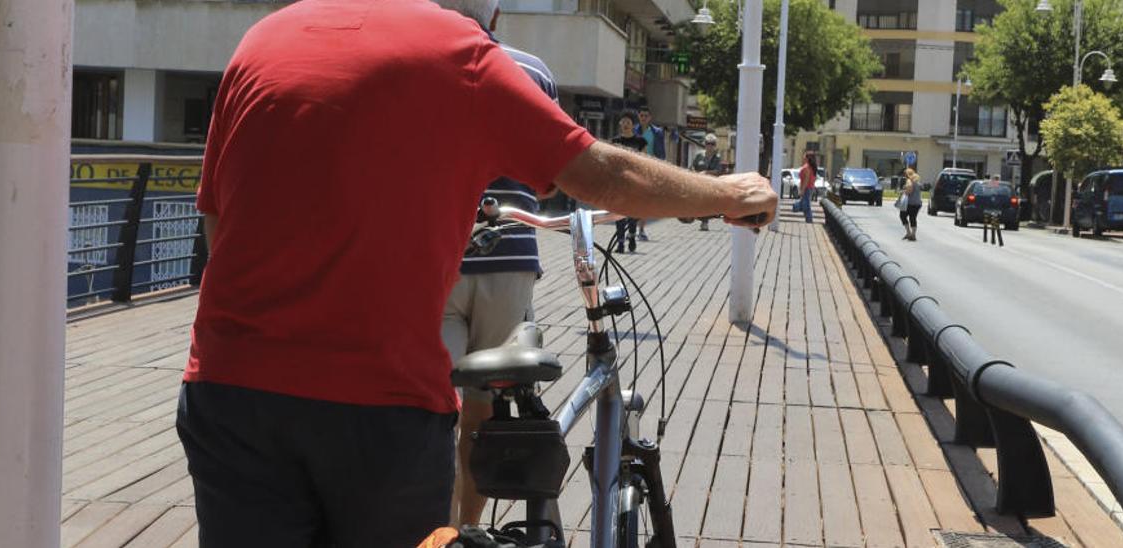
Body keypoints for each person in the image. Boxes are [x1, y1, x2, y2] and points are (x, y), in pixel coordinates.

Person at [178, 2, 777, 545]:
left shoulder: (262, 40)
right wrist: (724, 193)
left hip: (229, 389)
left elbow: (215, 217)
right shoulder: (456, 51)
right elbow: (601, 177)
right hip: (377, 404)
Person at [434, 0, 556, 529]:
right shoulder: (530, 72)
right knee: (483, 408)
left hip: (435, 258)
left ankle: (430, 531)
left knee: (432, 406)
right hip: (507, 261)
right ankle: (468, 527)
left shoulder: (419, 67)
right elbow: (545, 170)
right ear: (497, 16)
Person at [610, 111, 647, 253]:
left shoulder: (640, 141)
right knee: (618, 212)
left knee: (632, 212)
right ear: (620, 124)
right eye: (623, 122)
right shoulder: (615, 141)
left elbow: (645, 162)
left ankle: (631, 235)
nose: (625, 124)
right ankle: (620, 243)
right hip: (619, 181)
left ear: (633, 125)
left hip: (634, 181)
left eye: (628, 122)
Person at [634, 106, 666, 241]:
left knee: (644, 199)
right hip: (634, 168)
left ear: (650, 118)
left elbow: (661, 152)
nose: (644, 118)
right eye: (641, 115)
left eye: (646, 115)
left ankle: (641, 229)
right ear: (638, 116)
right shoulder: (633, 130)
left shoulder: (657, 132)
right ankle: (632, 227)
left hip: (649, 169)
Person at [691, 133, 723, 231]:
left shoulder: (717, 157)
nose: (709, 146)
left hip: (711, 183)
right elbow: (693, 166)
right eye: (707, 143)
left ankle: (705, 222)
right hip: (699, 182)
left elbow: (718, 171)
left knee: (707, 202)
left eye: (712, 143)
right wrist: (694, 174)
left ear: (715, 145)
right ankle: (699, 218)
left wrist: (706, 172)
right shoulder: (699, 155)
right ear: (705, 144)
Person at [899, 168, 923, 241]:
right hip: (917, 203)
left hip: (910, 203)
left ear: (907, 175)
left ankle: (909, 233)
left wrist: (903, 192)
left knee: (902, 216)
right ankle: (913, 235)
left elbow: (909, 190)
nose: (904, 176)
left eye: (905, 174)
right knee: (913, 218)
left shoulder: (909, 181)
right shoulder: (917, 181)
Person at [797, 152, 817, 224]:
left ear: (808, 158)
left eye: (804, 155)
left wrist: (802, 190)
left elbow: (806, 180)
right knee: (806, 204)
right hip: (810, 187)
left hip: (807, 188)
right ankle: (808, 220)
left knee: (807, 205)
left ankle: (809, 220)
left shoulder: (807, 167)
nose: (803, 157)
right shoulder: (812, 167)